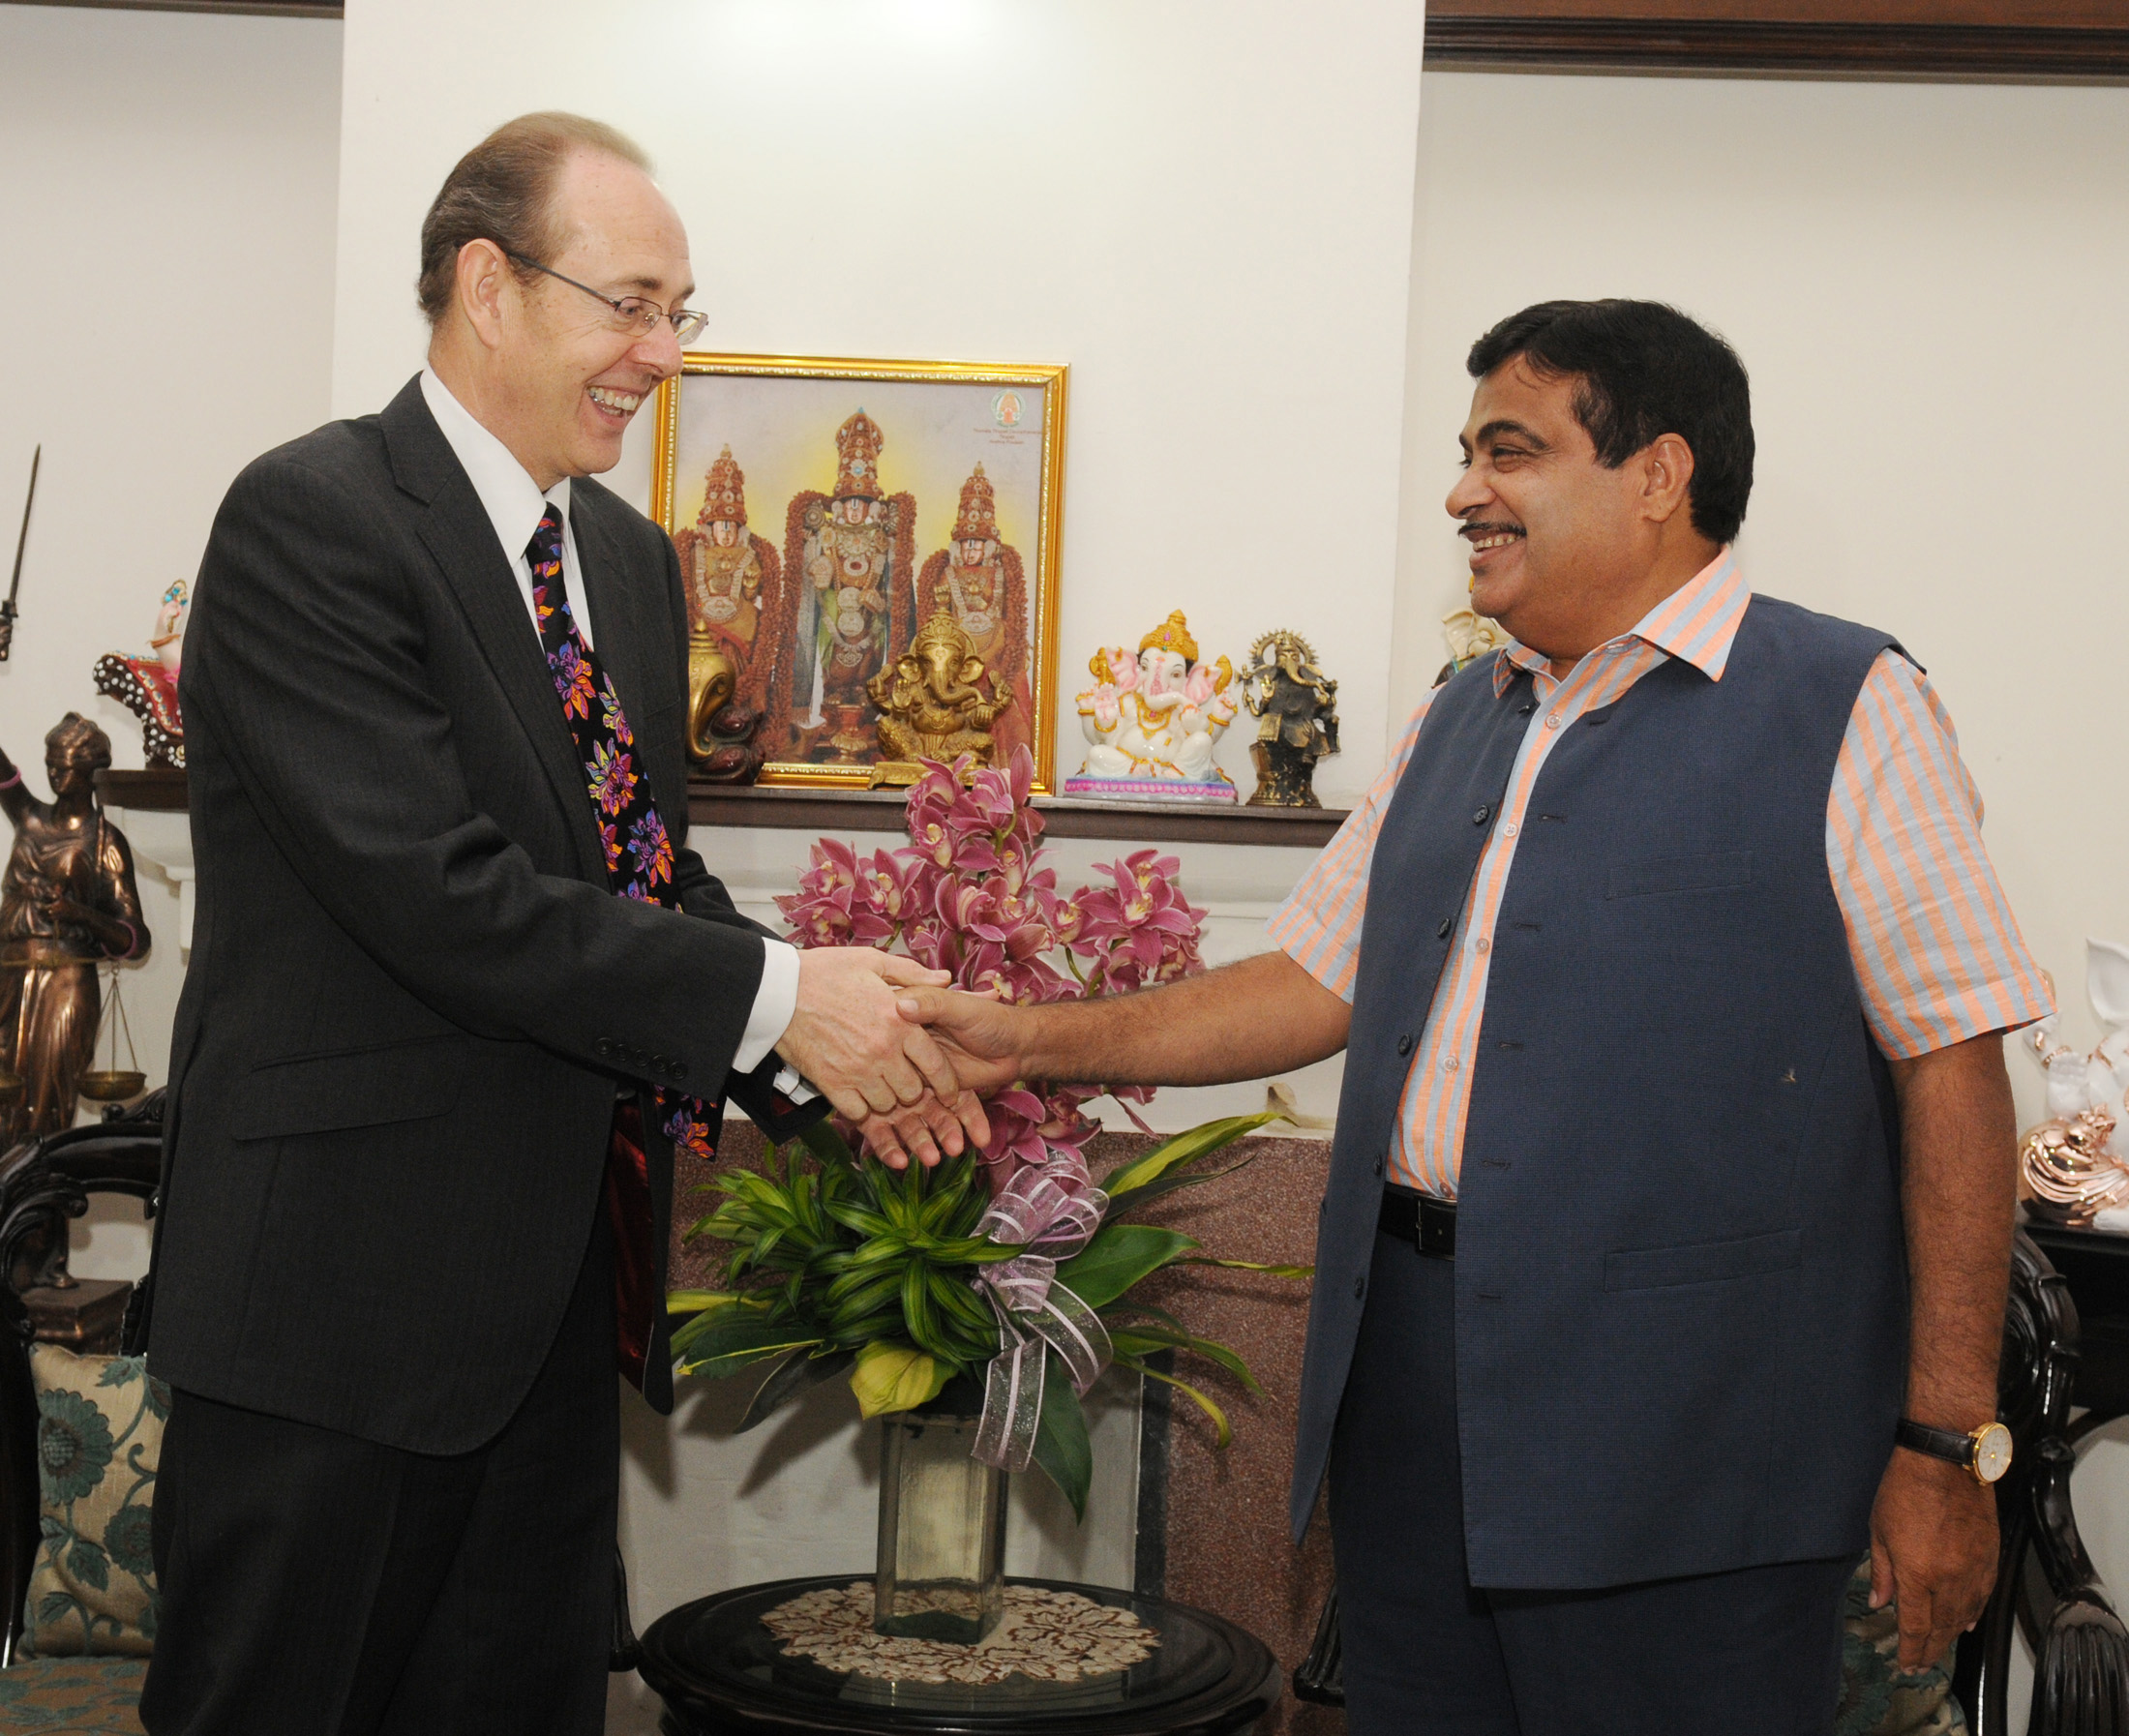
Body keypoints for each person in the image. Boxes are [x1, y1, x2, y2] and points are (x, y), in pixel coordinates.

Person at [904, 300, 2049, 1733]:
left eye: (1510, 451)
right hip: (1416, 1392)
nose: (1462, 493)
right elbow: (1315, 979)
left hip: (1696, 1440)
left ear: (1657, 475)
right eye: (1464, 455)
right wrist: (1029, 1037)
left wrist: (1946, 1443)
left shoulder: (1848, 702)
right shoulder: (1465, 710)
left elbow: (1955, 1062)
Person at [134, 112, 984, 1734]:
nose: (659, 352)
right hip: (335, 1312)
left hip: (546, 1307)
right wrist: (781, 992)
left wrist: (843, 1064)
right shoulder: (314, 519)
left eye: (682, 313)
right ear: (486, 285)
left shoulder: (625, 559)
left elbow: (639, 868)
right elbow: (438, 892)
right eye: (631, 303)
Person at [0, 714, 150, 1146]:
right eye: (49, 763)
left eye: (62, 767)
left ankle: (41, 1209)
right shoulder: (29, 818)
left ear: (89, 774)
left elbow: (136, 940)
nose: (52, 774)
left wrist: (80, 913)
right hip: (11, 977)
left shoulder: (104, 841)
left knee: (46, 1106)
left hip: (67, 980)